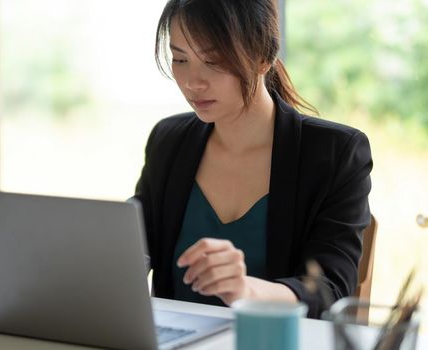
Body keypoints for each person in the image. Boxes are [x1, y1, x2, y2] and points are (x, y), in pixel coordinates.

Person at [134, 0, 372, 319]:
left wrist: (245, 290)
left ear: (263, 57)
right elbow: (132, 242)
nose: (192, 82)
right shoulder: (169, 140)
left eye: (214, 61)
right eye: (180, 59)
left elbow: (329, 287)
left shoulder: (335, 153)